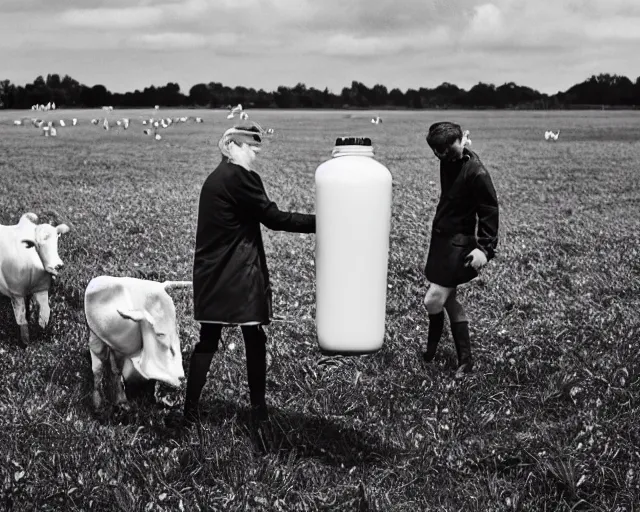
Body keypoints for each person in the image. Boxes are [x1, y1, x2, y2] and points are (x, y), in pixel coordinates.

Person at [180, 123, 315, 437]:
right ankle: (259, 414)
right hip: (237, 271)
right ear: (230, 145)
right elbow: (275, 218)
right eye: (250, 145)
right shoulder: (241, 178)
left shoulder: (216, 178)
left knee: (208, 339)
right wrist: (325, 221)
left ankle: (189, 413)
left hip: (211, 272)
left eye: (257, 146)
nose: (256, 151)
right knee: (254, 337)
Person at [422, 122, 499, 377]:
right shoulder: (450, 156)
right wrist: (458, 143)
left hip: (459, 245)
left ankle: (433, 349)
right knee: (450, 301)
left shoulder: (477, 173)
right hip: (441, 241)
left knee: (433, 300)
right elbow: (454, 144)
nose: (439, 156)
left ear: (456, 143)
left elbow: (489, 211)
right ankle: (459, 360)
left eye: (443, 151)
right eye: (435, 151)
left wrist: (485, 250)